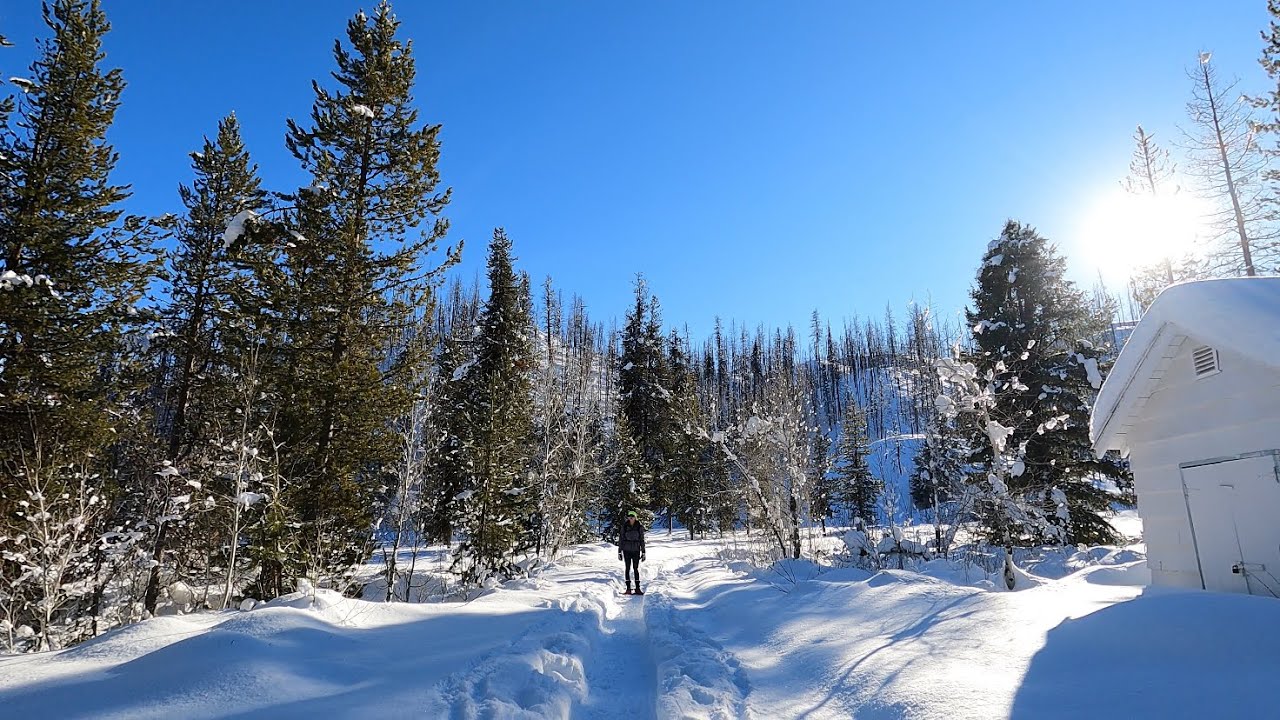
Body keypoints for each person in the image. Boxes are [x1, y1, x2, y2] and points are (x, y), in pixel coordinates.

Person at [617, 510, 646, 595]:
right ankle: (628, 588)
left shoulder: (639, 527)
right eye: (629, 516)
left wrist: (643, 552)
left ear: (635, 517)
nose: (631, 518)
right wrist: (619, 552)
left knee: (636, 569)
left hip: (636, 550)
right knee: (627, 569)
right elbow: (621, 539)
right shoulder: (625, 526)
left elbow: (642, 540)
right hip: (626, 550)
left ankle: (637, 588)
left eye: (632, 516)